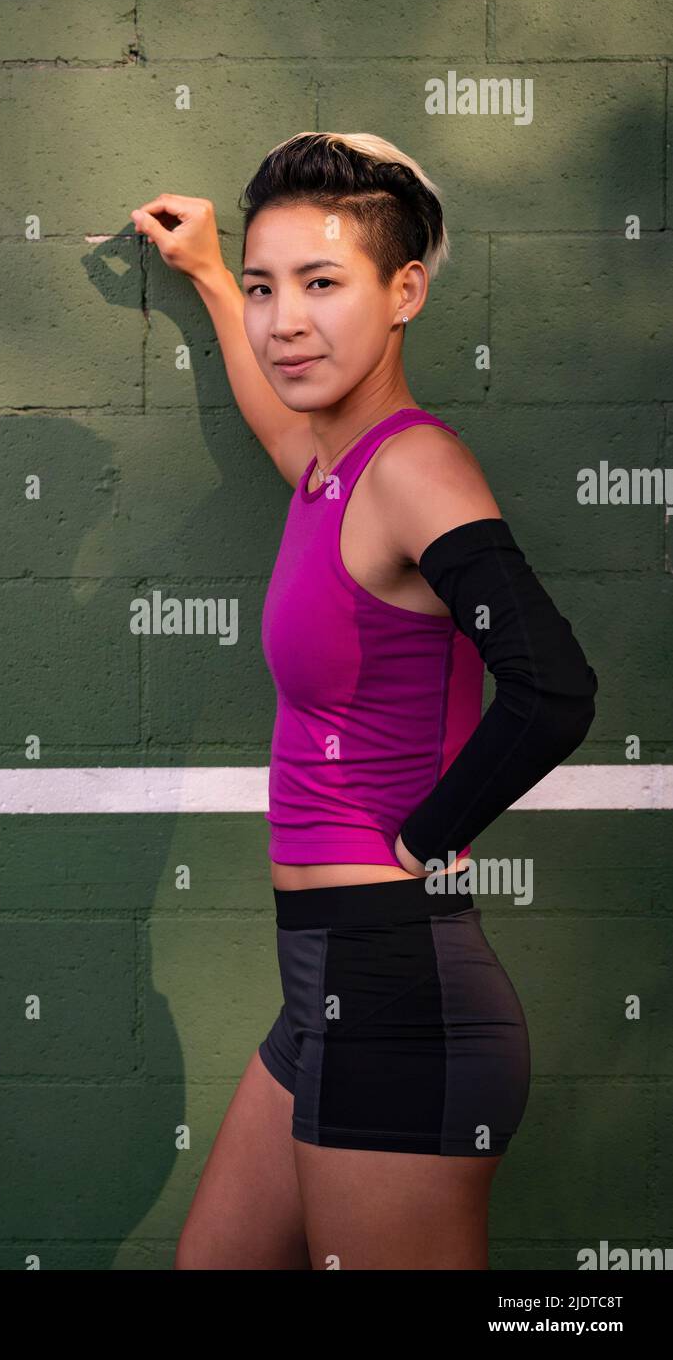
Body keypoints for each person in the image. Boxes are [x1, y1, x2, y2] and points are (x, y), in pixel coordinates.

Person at [130, 131, 598, 1270]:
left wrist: (422, 836)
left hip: (393, 987)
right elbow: (279, 420)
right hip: (323, 989)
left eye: (321, 284)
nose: (284, 319)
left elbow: (552, 688)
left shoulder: (411, 469)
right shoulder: (333, 467)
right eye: (264, 287)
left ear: (405, 292)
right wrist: (203, 273)